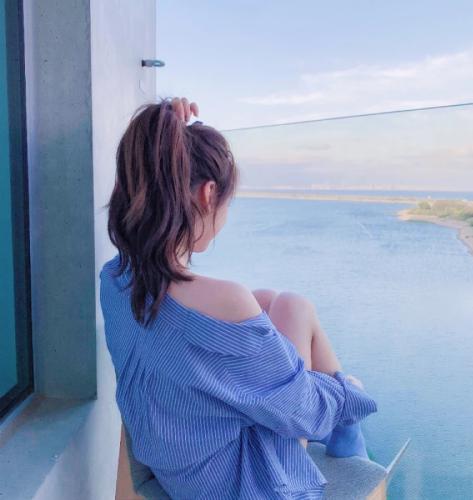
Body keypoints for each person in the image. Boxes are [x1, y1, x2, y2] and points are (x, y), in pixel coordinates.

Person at [100, 96, 378, 499]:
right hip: (239, 486)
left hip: (179, 461)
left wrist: (163, 134)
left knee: (273, 301)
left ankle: (347, 429)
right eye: (227, 202)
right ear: (208, 194)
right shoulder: (227, 301)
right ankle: (349, 434)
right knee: (297, 311)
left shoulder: (115, 280)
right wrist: (348, 390)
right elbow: (303, 414)